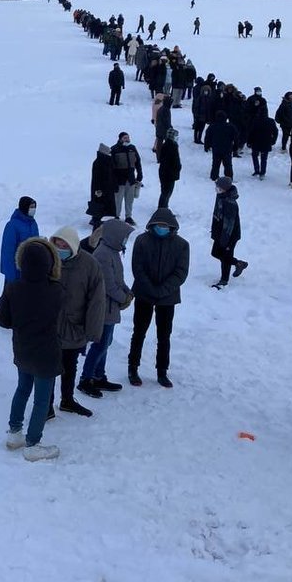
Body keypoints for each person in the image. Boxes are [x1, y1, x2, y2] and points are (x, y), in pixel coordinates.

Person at [0, 238, 64, 462]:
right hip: (47, 353)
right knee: (42, 400)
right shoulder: (56, 290)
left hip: (22, 349)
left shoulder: (13, 288)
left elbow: (4, 321)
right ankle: (33, 444)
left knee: (22, 389)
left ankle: (14, 433)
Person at [127, 208, 189, 388]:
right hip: (144, 294)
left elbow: (181, 272)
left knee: (164, 335)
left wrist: (162, 290)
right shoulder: (142, 241)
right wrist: (150, 289)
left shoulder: (182, 245)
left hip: (168, 298)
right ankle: (133, 367)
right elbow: (137, 268)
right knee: (139, 332)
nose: (162, 228)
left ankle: (162, 371)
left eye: (165, 225)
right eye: (159, 225)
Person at [49, 226, 105, 418]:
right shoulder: (48, 259)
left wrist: (92, 330)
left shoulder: (89, 265)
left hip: (74, 327)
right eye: (57, 245)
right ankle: (45, 405)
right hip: (50, 326)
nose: (60, 249)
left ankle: (67, 400)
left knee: (70, 366)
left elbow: (97, 300)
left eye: (64, 246)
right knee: (48, 369)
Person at [78, 219, 135, 399]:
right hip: (103, 308)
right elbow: (108, 285)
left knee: (105, 343)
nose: (125, 240)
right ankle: (86, 378)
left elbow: (118, 279)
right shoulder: (103, 254)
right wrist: (123, 298)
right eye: (124, 236)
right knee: (100, 344)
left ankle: (98, 375)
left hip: (111, 307)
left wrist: (127, 291)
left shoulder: (113, 251)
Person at [0, 197, 39, 330]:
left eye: (34, 207)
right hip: (15, 269)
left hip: (29, 268)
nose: (33, 209)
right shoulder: (12, 225)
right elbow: (8, 251)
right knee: (8, 295)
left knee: (26, 296)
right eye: (31, 207)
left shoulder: (33, 223)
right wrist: (11, 272)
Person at [209, 177, 246, 288]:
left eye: (219, 188)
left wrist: (225, 240)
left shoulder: (230, 203)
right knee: (215, 253)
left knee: (225, 256)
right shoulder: (221, 196)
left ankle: (224, 280)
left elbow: (229, 224)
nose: (216, 189)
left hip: (229, 235)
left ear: (225, 189)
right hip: (220, 232)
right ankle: (238, 263)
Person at [111, 132, 143, 225]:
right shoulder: (114, 149)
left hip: (130, 179)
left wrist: (139, 174)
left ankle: (128, 216)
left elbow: (138, 162)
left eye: (128, 137)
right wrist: (113, 180)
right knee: (118, 200)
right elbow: (111, 167)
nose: (127, 139)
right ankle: (116, 216)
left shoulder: (132, 148)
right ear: (120, 139)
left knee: (130, 200)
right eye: (125, 138)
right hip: (119, 179)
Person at [204, 110, 237, 181]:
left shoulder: (212, 126)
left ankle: (214, 176)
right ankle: (229, 177)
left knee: (215, 163)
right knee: (228, 164)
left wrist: (206, 146)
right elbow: (236, 138)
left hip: (216, 148)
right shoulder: (230, 127)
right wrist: (235, 147)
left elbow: (207, 137)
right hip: (227, 148)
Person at [88, 144, 116, 227]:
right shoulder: (98, 162)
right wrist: (98, 189)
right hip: (100, 189)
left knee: (103, 204)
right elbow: (96, 177)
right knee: (99, 204)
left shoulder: (106, 161)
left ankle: (98, 218)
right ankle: (95, 219)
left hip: (106, 188)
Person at [246, 106, 278, 179]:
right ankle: (262, 173)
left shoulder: (255, 120)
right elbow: (275, 132)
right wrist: (273, 140)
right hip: (266, 142)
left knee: (255, 156)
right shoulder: (271, 121)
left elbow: (251, 132)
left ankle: (256, 170)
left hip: (255, 142)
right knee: (264, 158)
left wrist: (249, 141)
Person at [158, 128, 182, 208]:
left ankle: (164, 207)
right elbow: (167, 161)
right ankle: (162, 208)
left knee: (167, 192)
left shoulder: (171, 145)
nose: (177, 137)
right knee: (166, 192)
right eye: (176, 136)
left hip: (168, 173)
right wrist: (176, 168)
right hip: (168, 174)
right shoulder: (170, 146)